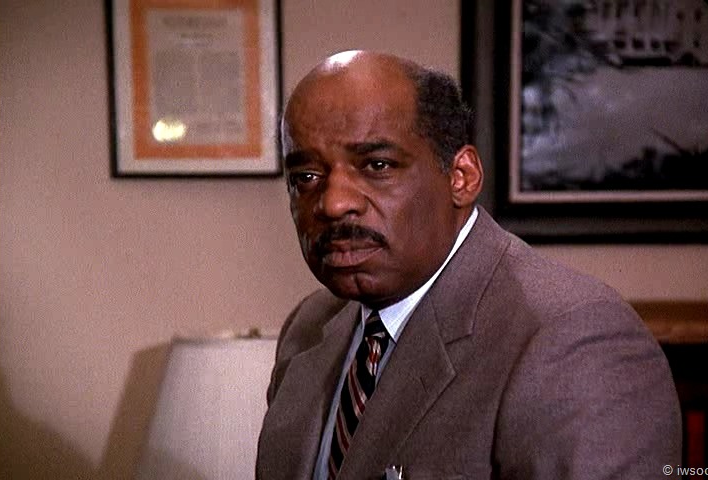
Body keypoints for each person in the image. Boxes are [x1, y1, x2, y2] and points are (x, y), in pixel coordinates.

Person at [256, 50, 681, 480]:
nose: (333, 203)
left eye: (377, 165)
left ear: (461, 177)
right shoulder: (310, 324)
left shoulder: (573, 341)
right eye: (306, 177)